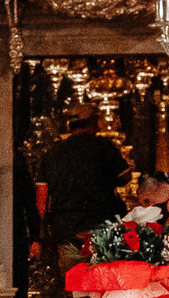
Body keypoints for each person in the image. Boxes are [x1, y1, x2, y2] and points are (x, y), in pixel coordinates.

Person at [38, 111, 132, 261]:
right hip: (102, 228)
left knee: (70, 281)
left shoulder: (53, 153)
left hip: (66, 231)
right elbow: (125, 176)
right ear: (93, 124)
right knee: (102, 281)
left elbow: (41, 197)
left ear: (69, 126)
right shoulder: (103, 147)